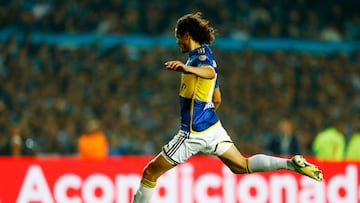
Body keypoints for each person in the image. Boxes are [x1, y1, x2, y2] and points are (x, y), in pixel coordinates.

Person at [131, 12, 323, 203]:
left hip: (192, 131)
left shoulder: (199, 59)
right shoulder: (207, 54)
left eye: (178, 37)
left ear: (187, 35)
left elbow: (208, 72)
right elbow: (217, 98)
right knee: (241, 165)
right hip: (212, 128)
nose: (177, 42)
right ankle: (290, 164)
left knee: (150, 172)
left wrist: (186, 69)